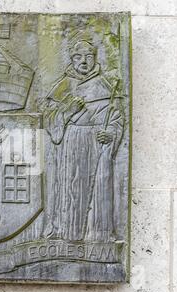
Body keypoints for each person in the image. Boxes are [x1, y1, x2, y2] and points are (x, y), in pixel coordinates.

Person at [42, 40, 124, 242]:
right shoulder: (62, 86)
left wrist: (111, 134)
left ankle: (99, 237)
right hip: (70, 146)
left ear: (95, 58)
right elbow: (49, 120)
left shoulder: (106, 86)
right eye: (78, 57)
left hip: (97, 145)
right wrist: (68, 111)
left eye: (89, 56)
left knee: (98, 191)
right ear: (71, 59)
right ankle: (66, 236)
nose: (84, 61)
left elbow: (117, 119)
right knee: (71, 190)